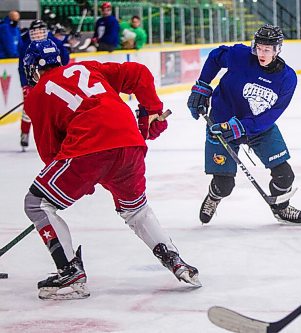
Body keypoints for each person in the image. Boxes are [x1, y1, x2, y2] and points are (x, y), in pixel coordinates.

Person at [22, 39, 201, 300]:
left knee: (36, 204)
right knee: (136, 210)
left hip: (88, 148)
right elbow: (139, 73)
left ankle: (70, 274)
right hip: (130, 142)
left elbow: (50, 153)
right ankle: (176, 261)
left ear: (33, 70)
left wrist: (83, 180)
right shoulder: (87, 67)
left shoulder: (37, 96)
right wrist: (152, 110)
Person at [187, 24, 301, 226]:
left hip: (258, 127)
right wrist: (203, 85)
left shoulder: (287, 78)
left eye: (267, 50)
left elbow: (273, 114)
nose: (261, 53)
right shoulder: (240, 55)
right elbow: (217, 56)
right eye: (259, 48)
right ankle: (214, 197)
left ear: (277, 49)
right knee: (224, 184)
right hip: (221, 123)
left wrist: (242, 127)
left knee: (285, 175)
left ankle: (281, 208)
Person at [17, 20, 70, 150]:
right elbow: (22, 67)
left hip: (52, 80)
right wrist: (25, 84)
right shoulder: (25, 45)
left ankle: (60, 137)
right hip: (33, 81)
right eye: (35, 31)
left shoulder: (52, 41)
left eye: (41, 31)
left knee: (56, 107)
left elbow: (64, 58)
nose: (38, 34)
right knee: (28, 109)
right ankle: (25, 133)